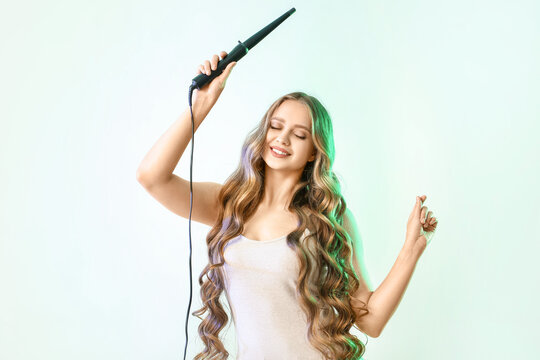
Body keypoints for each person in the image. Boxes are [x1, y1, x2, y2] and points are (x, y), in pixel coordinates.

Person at [136, 51, 439, 360]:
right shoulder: (228, 204)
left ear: (313, 151)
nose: (282, 139)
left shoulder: (329, 218)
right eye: (275, 127)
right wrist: (202, 104)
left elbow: (370, 320)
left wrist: (411, 249)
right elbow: (152, 177)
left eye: (299, 134)